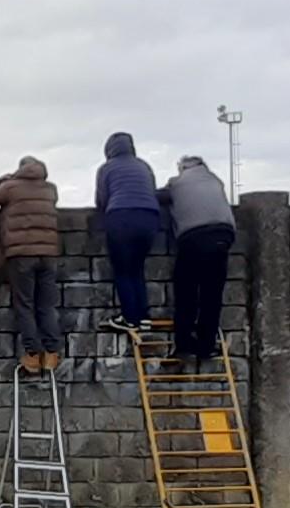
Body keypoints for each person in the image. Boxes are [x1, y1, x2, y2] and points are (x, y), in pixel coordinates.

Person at [0, 155, 60, 372]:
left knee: (25, 305)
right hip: (48, 254)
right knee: (47, 305)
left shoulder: (10, 187)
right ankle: (51, 354)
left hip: (21, 254)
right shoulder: (50, 189)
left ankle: (32, 355)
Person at [158, 155, 235, 365]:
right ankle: (207, 347)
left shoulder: (177, 183)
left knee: (187, 292)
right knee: (212, 295)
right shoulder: (215, 180)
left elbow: (157, 197)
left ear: (182, 168)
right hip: (223, 235)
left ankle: (184, 345)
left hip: (195, 236)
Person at [94, 131, 163, 332]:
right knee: (137, 267)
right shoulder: (143, 166)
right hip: (150, 217)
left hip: (122, 216)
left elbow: (101, 199)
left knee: (123, 268)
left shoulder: (107, 168)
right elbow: (153, 192)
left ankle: (130, 318)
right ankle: (143, 317)